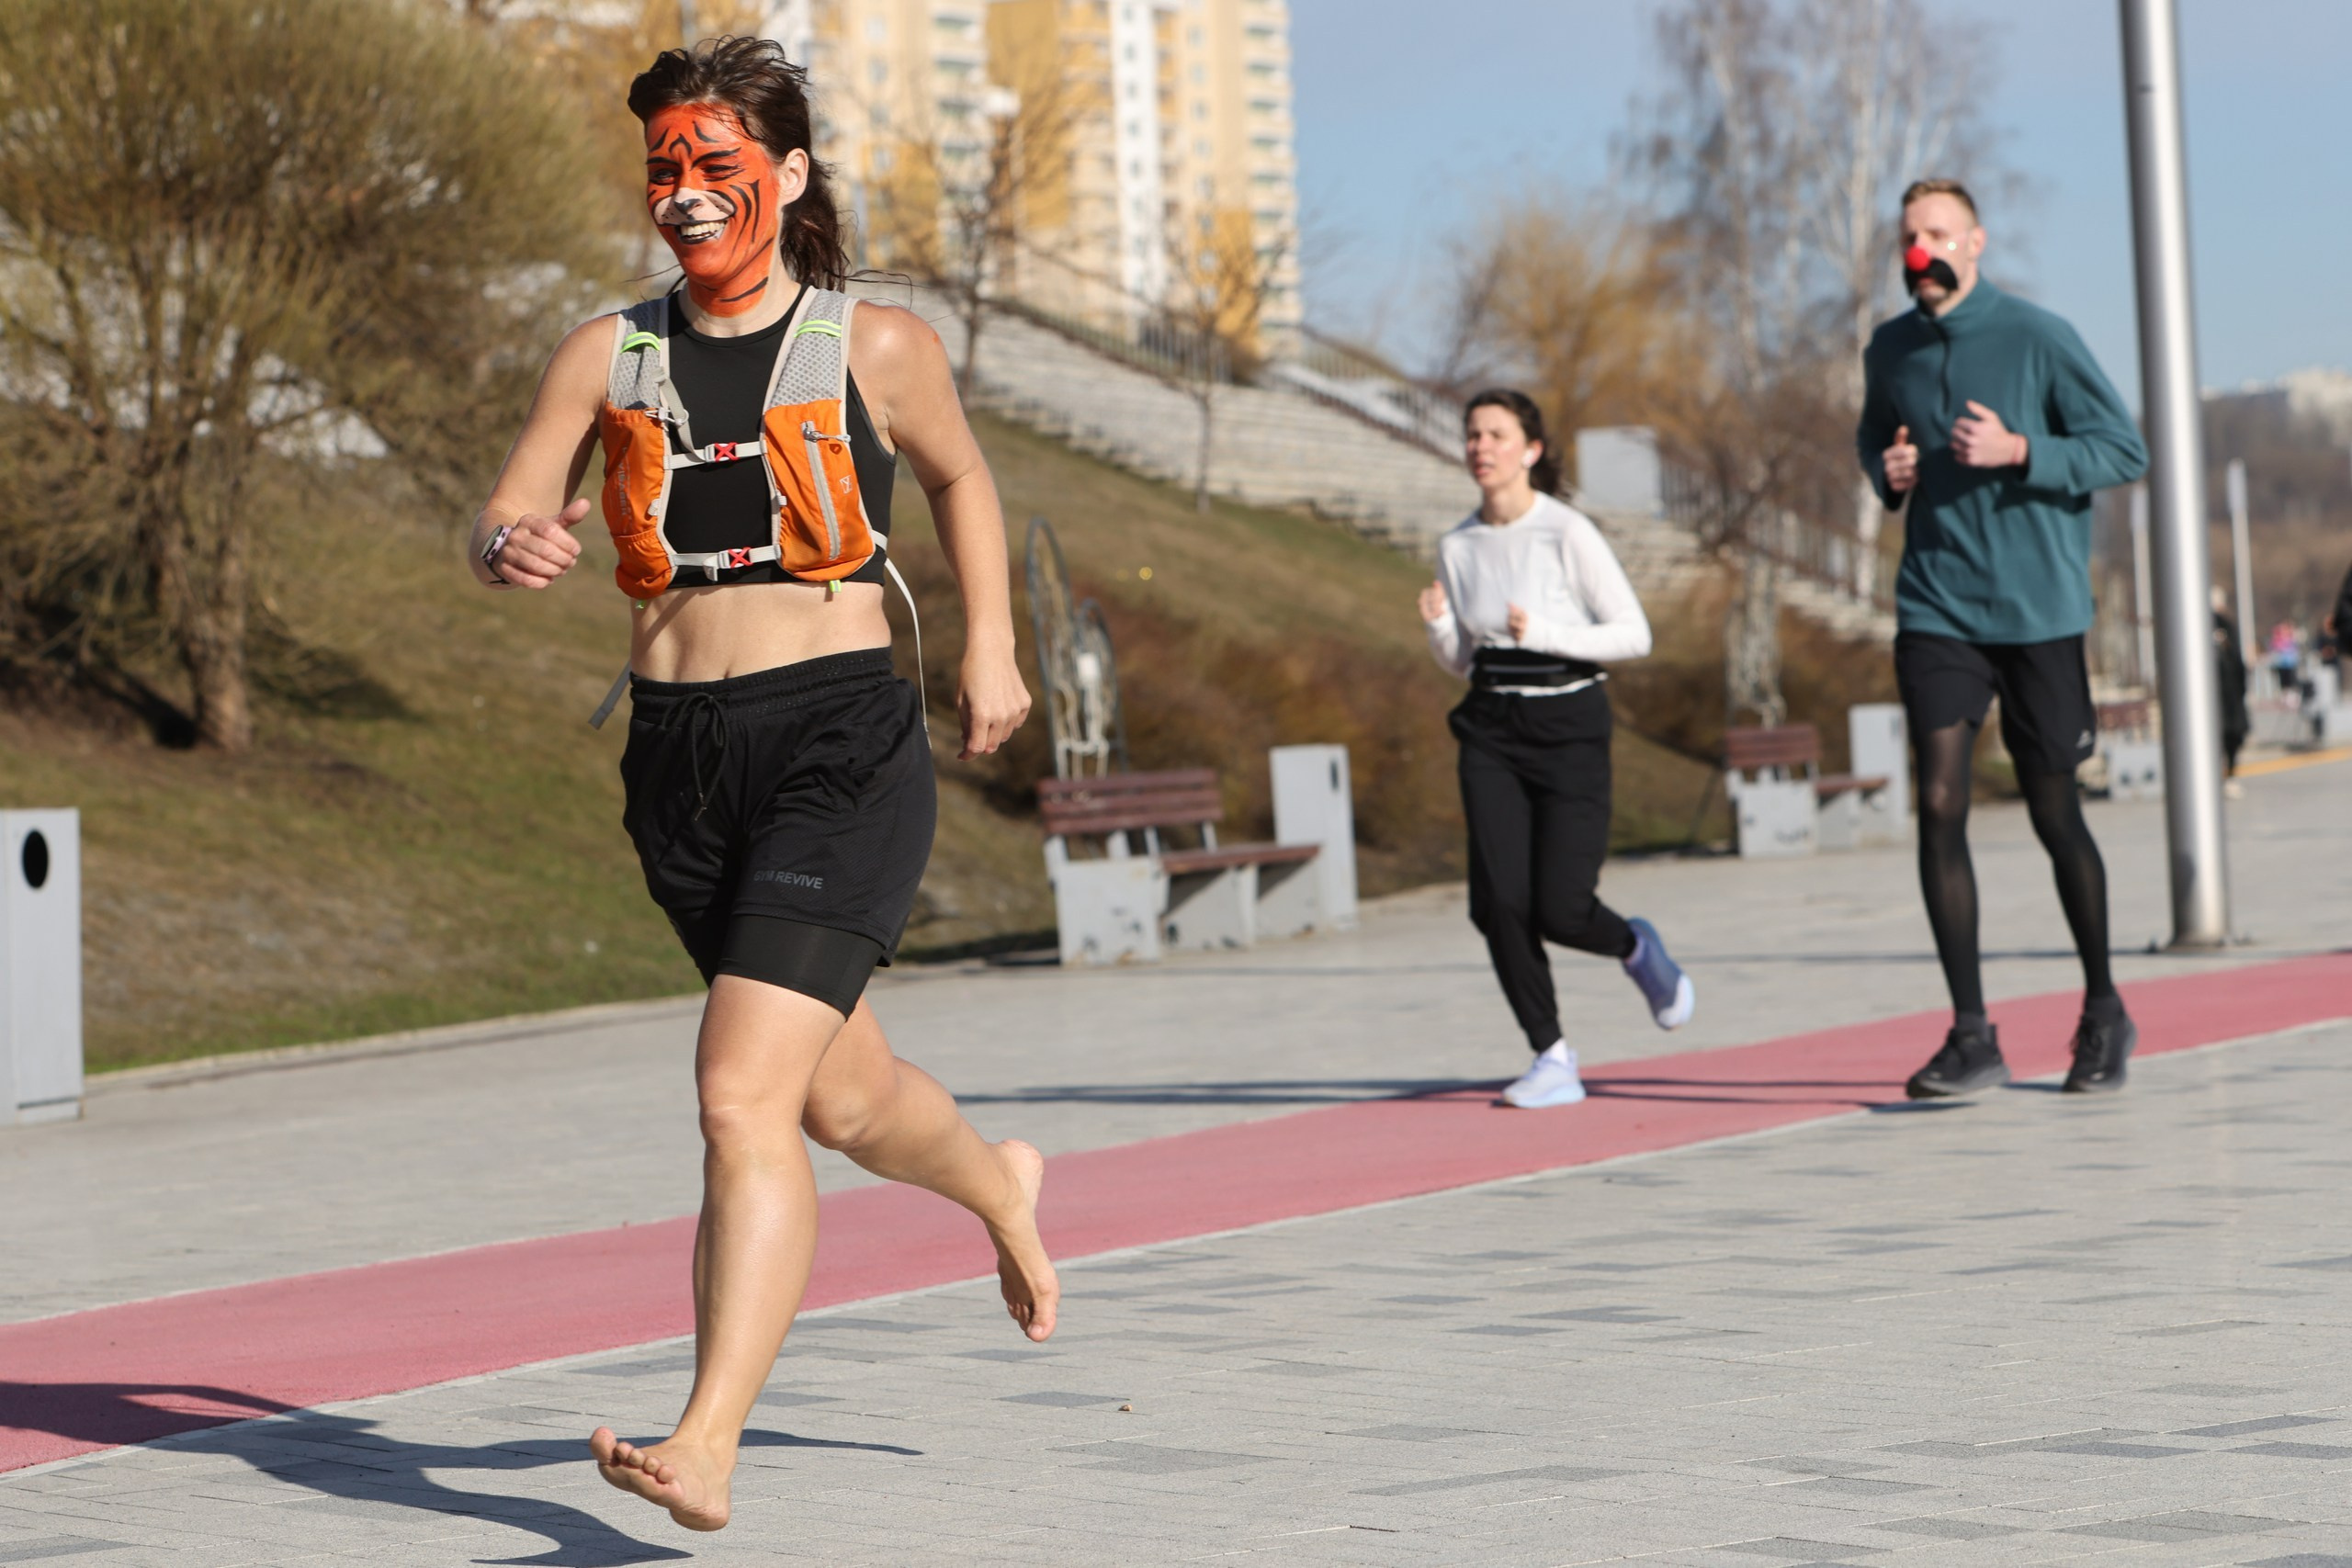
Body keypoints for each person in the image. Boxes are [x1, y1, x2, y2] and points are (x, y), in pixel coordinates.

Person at [467, 38, 1055, 1532]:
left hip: (840, 742)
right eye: (664, 167)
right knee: (841, 1098)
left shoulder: (878, 345)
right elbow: (510, 508)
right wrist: (509, 544)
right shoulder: (607, 353)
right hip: (678, 763)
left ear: (786, 177)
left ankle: (707, 1439)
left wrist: (991, 644)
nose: (684, 192)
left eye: (715, 165)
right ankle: (1000, 1186)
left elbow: (963, 479)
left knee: (741, 1096)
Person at [1859, 178, 2149, 1099]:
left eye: (1937, 234)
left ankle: (2103, 1009)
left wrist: (2023, 452)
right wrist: (1889, 469)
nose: (1921, 251)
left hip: (2037, 615)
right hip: (1938, 607)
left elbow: (2121, 450)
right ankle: (1972, 1034)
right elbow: (1874, 440)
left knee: (2052, 814)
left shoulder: (2037, 337)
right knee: (1938, 802)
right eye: (1909, 236)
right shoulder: (1890, 348)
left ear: (1974, 243)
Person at [1419, 389, 1694, 1111]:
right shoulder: (1457, 545)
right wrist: (1441, 629)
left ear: (1531, 450)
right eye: (1473, 434)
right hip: (1491, 730)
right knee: (1498, 902)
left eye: (1497, 435)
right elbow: (1464, 661)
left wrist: (1546, 630)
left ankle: (1638, 950)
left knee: (1563, 908)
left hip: (1570, 726)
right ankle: (1551, 1055)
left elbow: (1633, 634)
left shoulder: (1566, 532)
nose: (1481, 447)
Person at [2213, 585, 2248, 796]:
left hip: (2224, 697)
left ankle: (2226, 776)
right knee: (2229, 739)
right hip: (2228, 696)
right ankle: (2229, 777)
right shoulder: (2226, 625)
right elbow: (2238, 663)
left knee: (2224, 738)